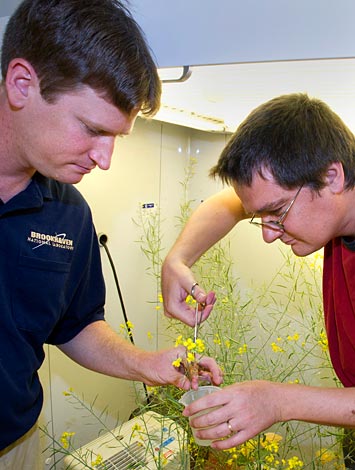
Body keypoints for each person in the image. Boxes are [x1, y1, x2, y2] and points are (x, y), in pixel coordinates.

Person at [0, 0, 222, 467]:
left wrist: (150, 365)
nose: (105, 159)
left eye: (116, 137)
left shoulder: (68, 213)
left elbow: (75, 324)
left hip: (15, 443)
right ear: (22, 84)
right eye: (92, 129)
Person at [161, 92, 355, 465]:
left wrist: (277, 400)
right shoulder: (330, 198)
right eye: (258, 217)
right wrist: (178, 258)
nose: (268, 234)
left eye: (277, 212)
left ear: (332, 176)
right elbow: (227, 204)